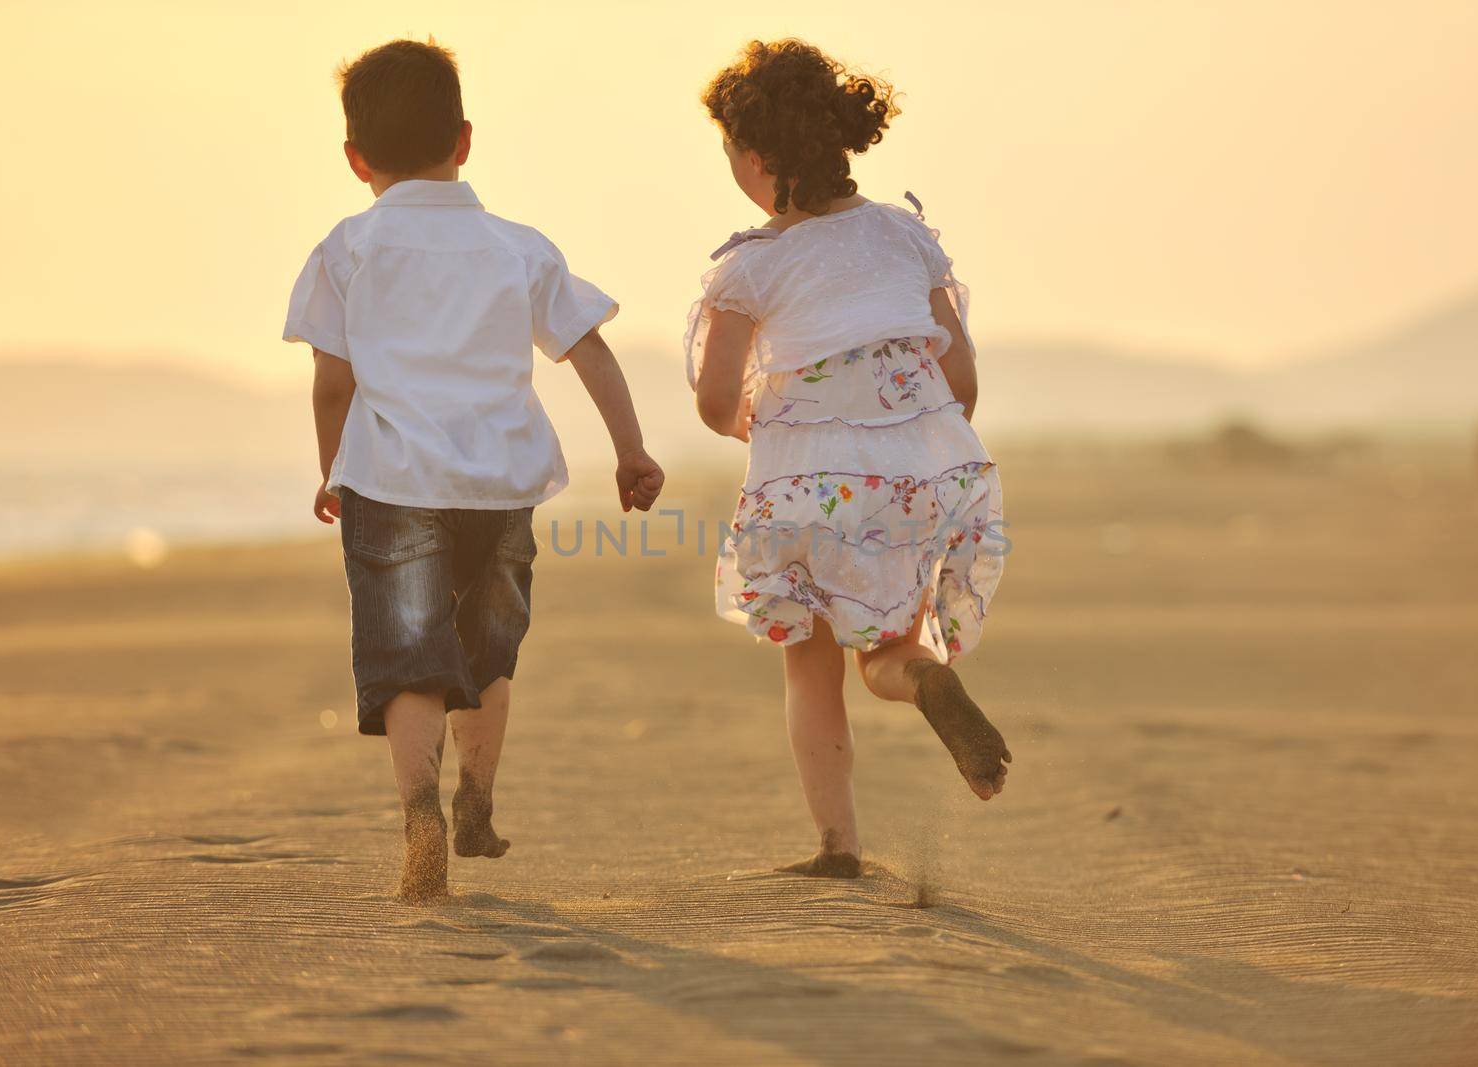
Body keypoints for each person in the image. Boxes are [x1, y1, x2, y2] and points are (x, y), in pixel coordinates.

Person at [283, 38, 664, 901]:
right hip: (501, 484)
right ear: (463, 140)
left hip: (391, 481)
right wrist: (631, 449)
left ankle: (419, 811)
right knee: (487, 651)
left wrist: (331, 469)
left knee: (407, 655)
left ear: (355, 160)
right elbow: (587, 350)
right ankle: (477, 797)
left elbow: (331, 382)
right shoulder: (516, 248)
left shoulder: (347, 250)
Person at [687, 40, 1010, 879]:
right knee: (886, 652)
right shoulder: (903, 238)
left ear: (756, 159)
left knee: (811, 660)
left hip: (804, 484)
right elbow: (961, 374)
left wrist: (748, 425)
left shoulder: (752, 264)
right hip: (914, 473)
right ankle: (925, 681)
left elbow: (718, 397)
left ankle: (837, 846)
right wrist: (916, 450)